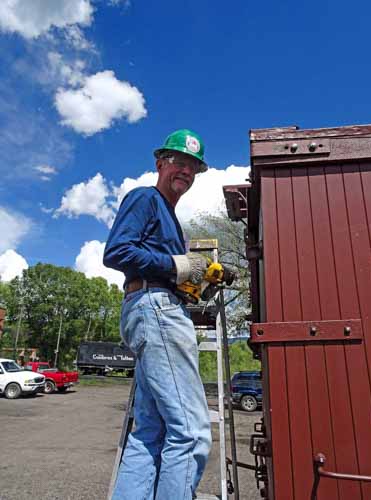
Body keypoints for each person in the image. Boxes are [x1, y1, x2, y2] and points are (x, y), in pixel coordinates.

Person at [103, 129, 212, 500]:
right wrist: (174, 264)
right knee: (191, 432)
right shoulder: (145, 198)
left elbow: (164, 269)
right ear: (160, 162)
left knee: (150, 430)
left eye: (192, 166)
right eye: (179, 161)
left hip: (154, 308)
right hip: (156, 311)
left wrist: (193, 280)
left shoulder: (170, 217)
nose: (185, 170)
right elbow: (116, 252)